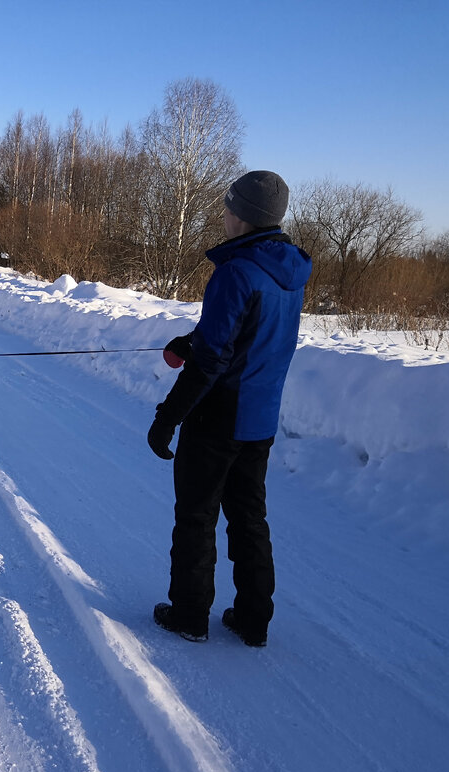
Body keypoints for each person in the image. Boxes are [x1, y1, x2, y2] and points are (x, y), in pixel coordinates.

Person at [147, 170, 312, 647]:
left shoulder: (236, 271)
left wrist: (167, 418)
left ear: (241, 215)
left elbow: (214, 360)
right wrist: (191, 339)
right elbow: (244, 334)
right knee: (248, 518)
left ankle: (189, 615)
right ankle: (253, 619)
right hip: (259, 419)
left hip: (218, 416)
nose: (223, 214)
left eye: (226, 206)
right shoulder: (288, 272)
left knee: (197, 516)